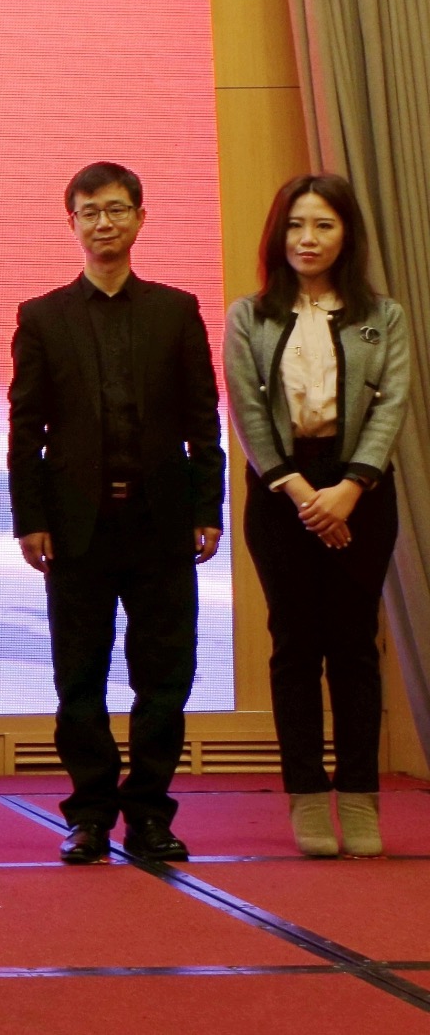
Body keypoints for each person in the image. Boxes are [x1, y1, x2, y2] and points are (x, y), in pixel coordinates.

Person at [10, 163, 224, 864]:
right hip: (77, 527)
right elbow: (26, 429)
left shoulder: (176, 310)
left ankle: (151, 814)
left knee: (165, 677)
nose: (104, 222)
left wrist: (208, 507)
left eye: (116, 209)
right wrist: (29, 518)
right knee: (79, 677)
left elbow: (202, 420)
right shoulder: (42, 316)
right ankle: (91, 814)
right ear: (71, 222)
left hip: (163, 523)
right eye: (89, 211)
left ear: (139, 217)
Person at [224, 174, 411, 858]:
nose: (308, 238)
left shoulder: (382, 315)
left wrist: (350, 488)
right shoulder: (250, 315)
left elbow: (390, 405)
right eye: (296, 224)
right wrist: (304, 494)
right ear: (278, 233)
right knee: (295, 645)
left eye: (324, 225)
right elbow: (246, 409)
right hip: (282, 492)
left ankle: (359, 797)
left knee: (355, 646)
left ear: (346, 235)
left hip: (362, 489)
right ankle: (305, 796)